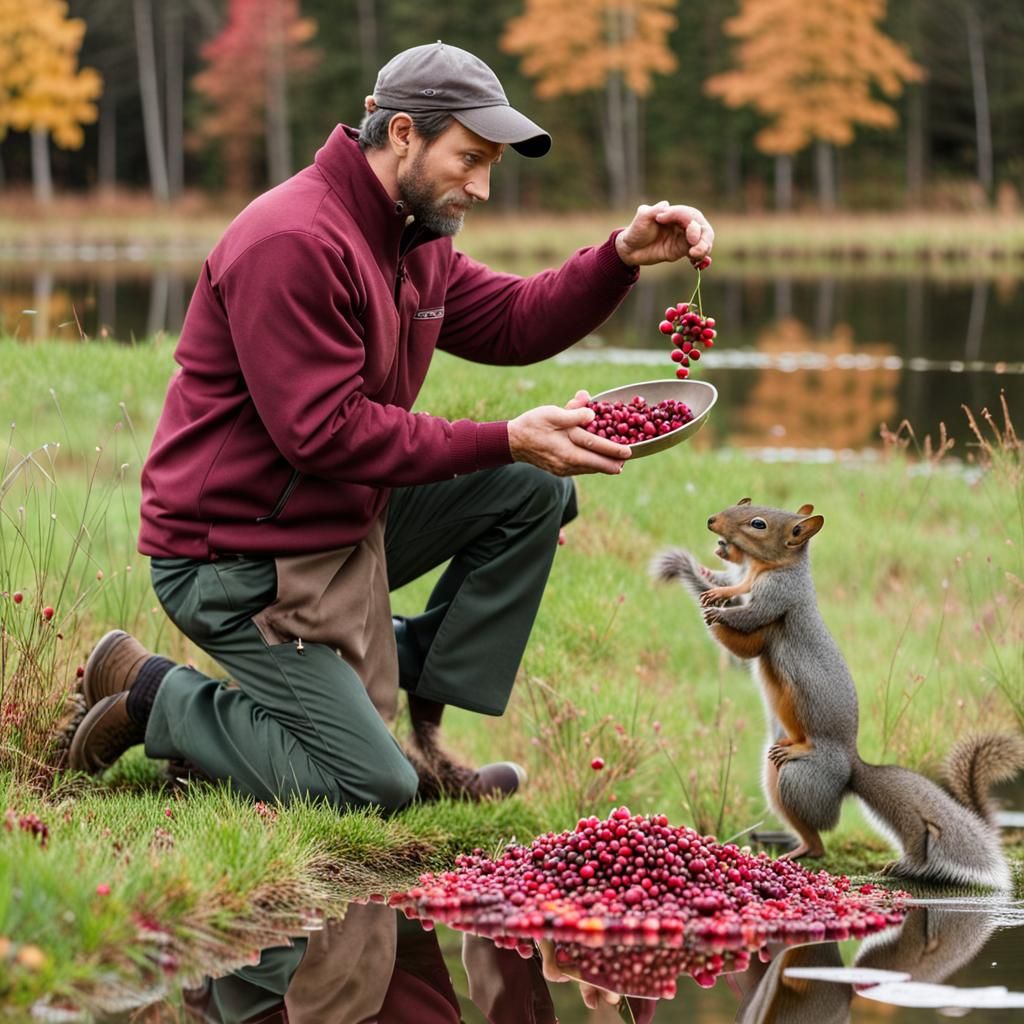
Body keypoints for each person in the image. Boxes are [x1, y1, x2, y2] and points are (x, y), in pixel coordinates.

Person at [67, 41, 714, 812]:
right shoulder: (296, 241)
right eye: (468, 159)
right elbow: (325, 434)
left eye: (492, 167)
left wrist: (619, 256)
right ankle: (151, 695)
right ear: (402, 133)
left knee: (526, 492)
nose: (479, 186)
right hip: (238, 554)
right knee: (369, 788)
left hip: (340, 521)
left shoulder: (414, 232)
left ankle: (420, 735)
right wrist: (505, 435)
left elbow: (511, 321)